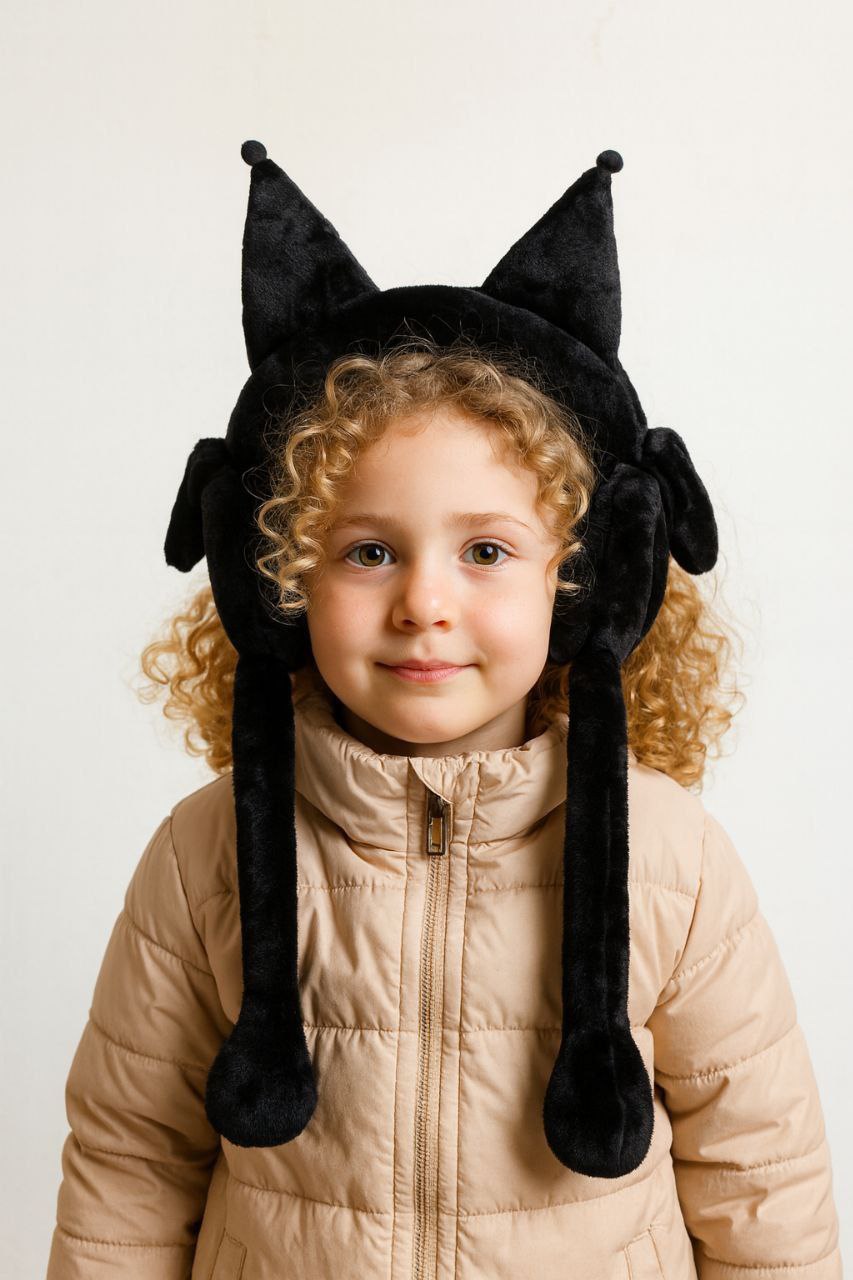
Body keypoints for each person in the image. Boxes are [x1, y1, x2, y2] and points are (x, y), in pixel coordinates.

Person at [46, 143, 843, 1279]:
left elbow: (759, 1180)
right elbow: (130, 1168)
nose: (424, 602)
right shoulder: (202, 856)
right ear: (281, 581)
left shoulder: (672, 861)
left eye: (485, 551)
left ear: (578, 581)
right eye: (368, 550)